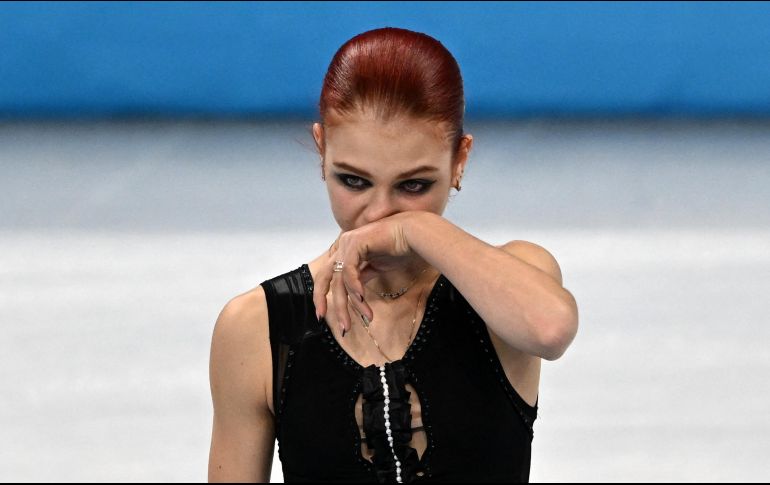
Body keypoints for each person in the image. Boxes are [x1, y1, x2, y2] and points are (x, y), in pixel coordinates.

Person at [208, 27, 578, 483]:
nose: (380, 215)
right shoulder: (257, 328)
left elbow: (551, 327)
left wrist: (415, 229)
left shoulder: (513, 281)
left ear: (459, 161)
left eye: (413, 186)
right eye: (354, 181)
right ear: (322, 150)